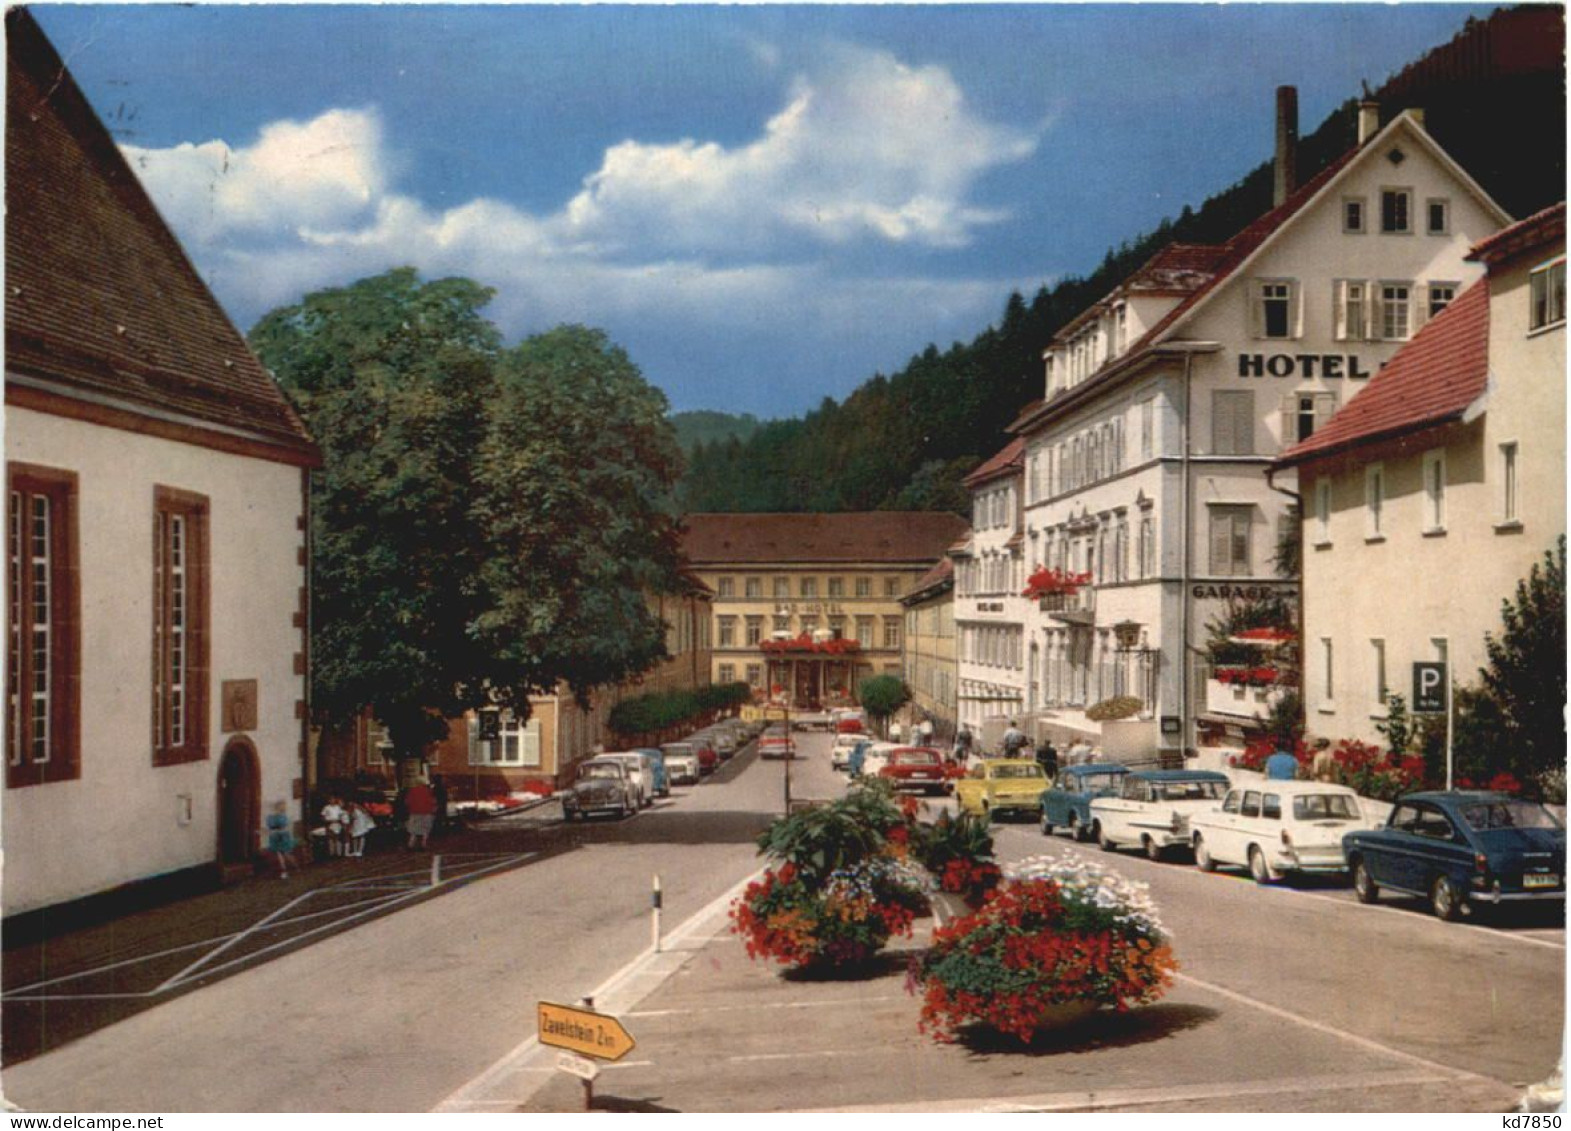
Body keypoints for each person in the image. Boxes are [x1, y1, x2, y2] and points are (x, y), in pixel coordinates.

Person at [404, 779, 438, 850]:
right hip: (426, 812)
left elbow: (407, 802)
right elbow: (432, 801)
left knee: (413, 829)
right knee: (425, 828)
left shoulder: (412, 790)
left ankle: (411, 844)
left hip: (414, 812)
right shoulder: (428, 791)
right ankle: (423, 844)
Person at [266, 801, 296, 879]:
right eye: (281, 806)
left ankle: (294, 865)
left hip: (283, 835)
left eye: (283, 806)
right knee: (279, 853)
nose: (283, 808)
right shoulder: (271, 816)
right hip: (275, 835)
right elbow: (270, 825)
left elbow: (285, 826)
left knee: (286, 853)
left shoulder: (284, 816)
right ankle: (284, 871)